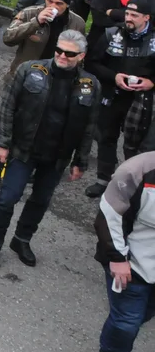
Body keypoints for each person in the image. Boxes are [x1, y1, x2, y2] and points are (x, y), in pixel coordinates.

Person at [0, 29, 99, 270]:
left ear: (82, 56)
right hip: (24, 150)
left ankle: (22, 240)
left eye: (69, 53)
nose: (62, 56)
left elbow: (89, 126)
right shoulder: (30, 70)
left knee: (40, 201)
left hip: (57, 157)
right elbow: (7, 107)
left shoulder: (90, 85)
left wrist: (81, 160)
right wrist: (2, 143)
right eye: (59, 50)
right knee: (7, 199)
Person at [83, 0, 155, 200]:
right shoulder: (111, 33)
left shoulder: (154, 41)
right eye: (127, 13)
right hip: (111, 95)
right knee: (106, 137)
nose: (128, 18)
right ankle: (103, 180)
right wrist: (114, 77)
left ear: (147, 18)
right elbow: (91, 63)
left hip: (141, 101)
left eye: (134, 15)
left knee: (135, 144)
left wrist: (151, 83)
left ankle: (133, 183)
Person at [94, 150, 155, 352]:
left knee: (141, 316)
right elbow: (109, 215)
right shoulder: (136, 171)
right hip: (133, 267)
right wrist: (118, 258)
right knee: (126, 323)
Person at [3, 0, 85, 79]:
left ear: (67, 4)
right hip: (24, 74)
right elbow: (8, 38)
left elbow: (80, 56)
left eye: (59, 3)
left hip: (56, 78)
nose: (53, 6)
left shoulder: (77, 23)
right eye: (50, 1)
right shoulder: (29, 13)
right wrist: (36, 22)